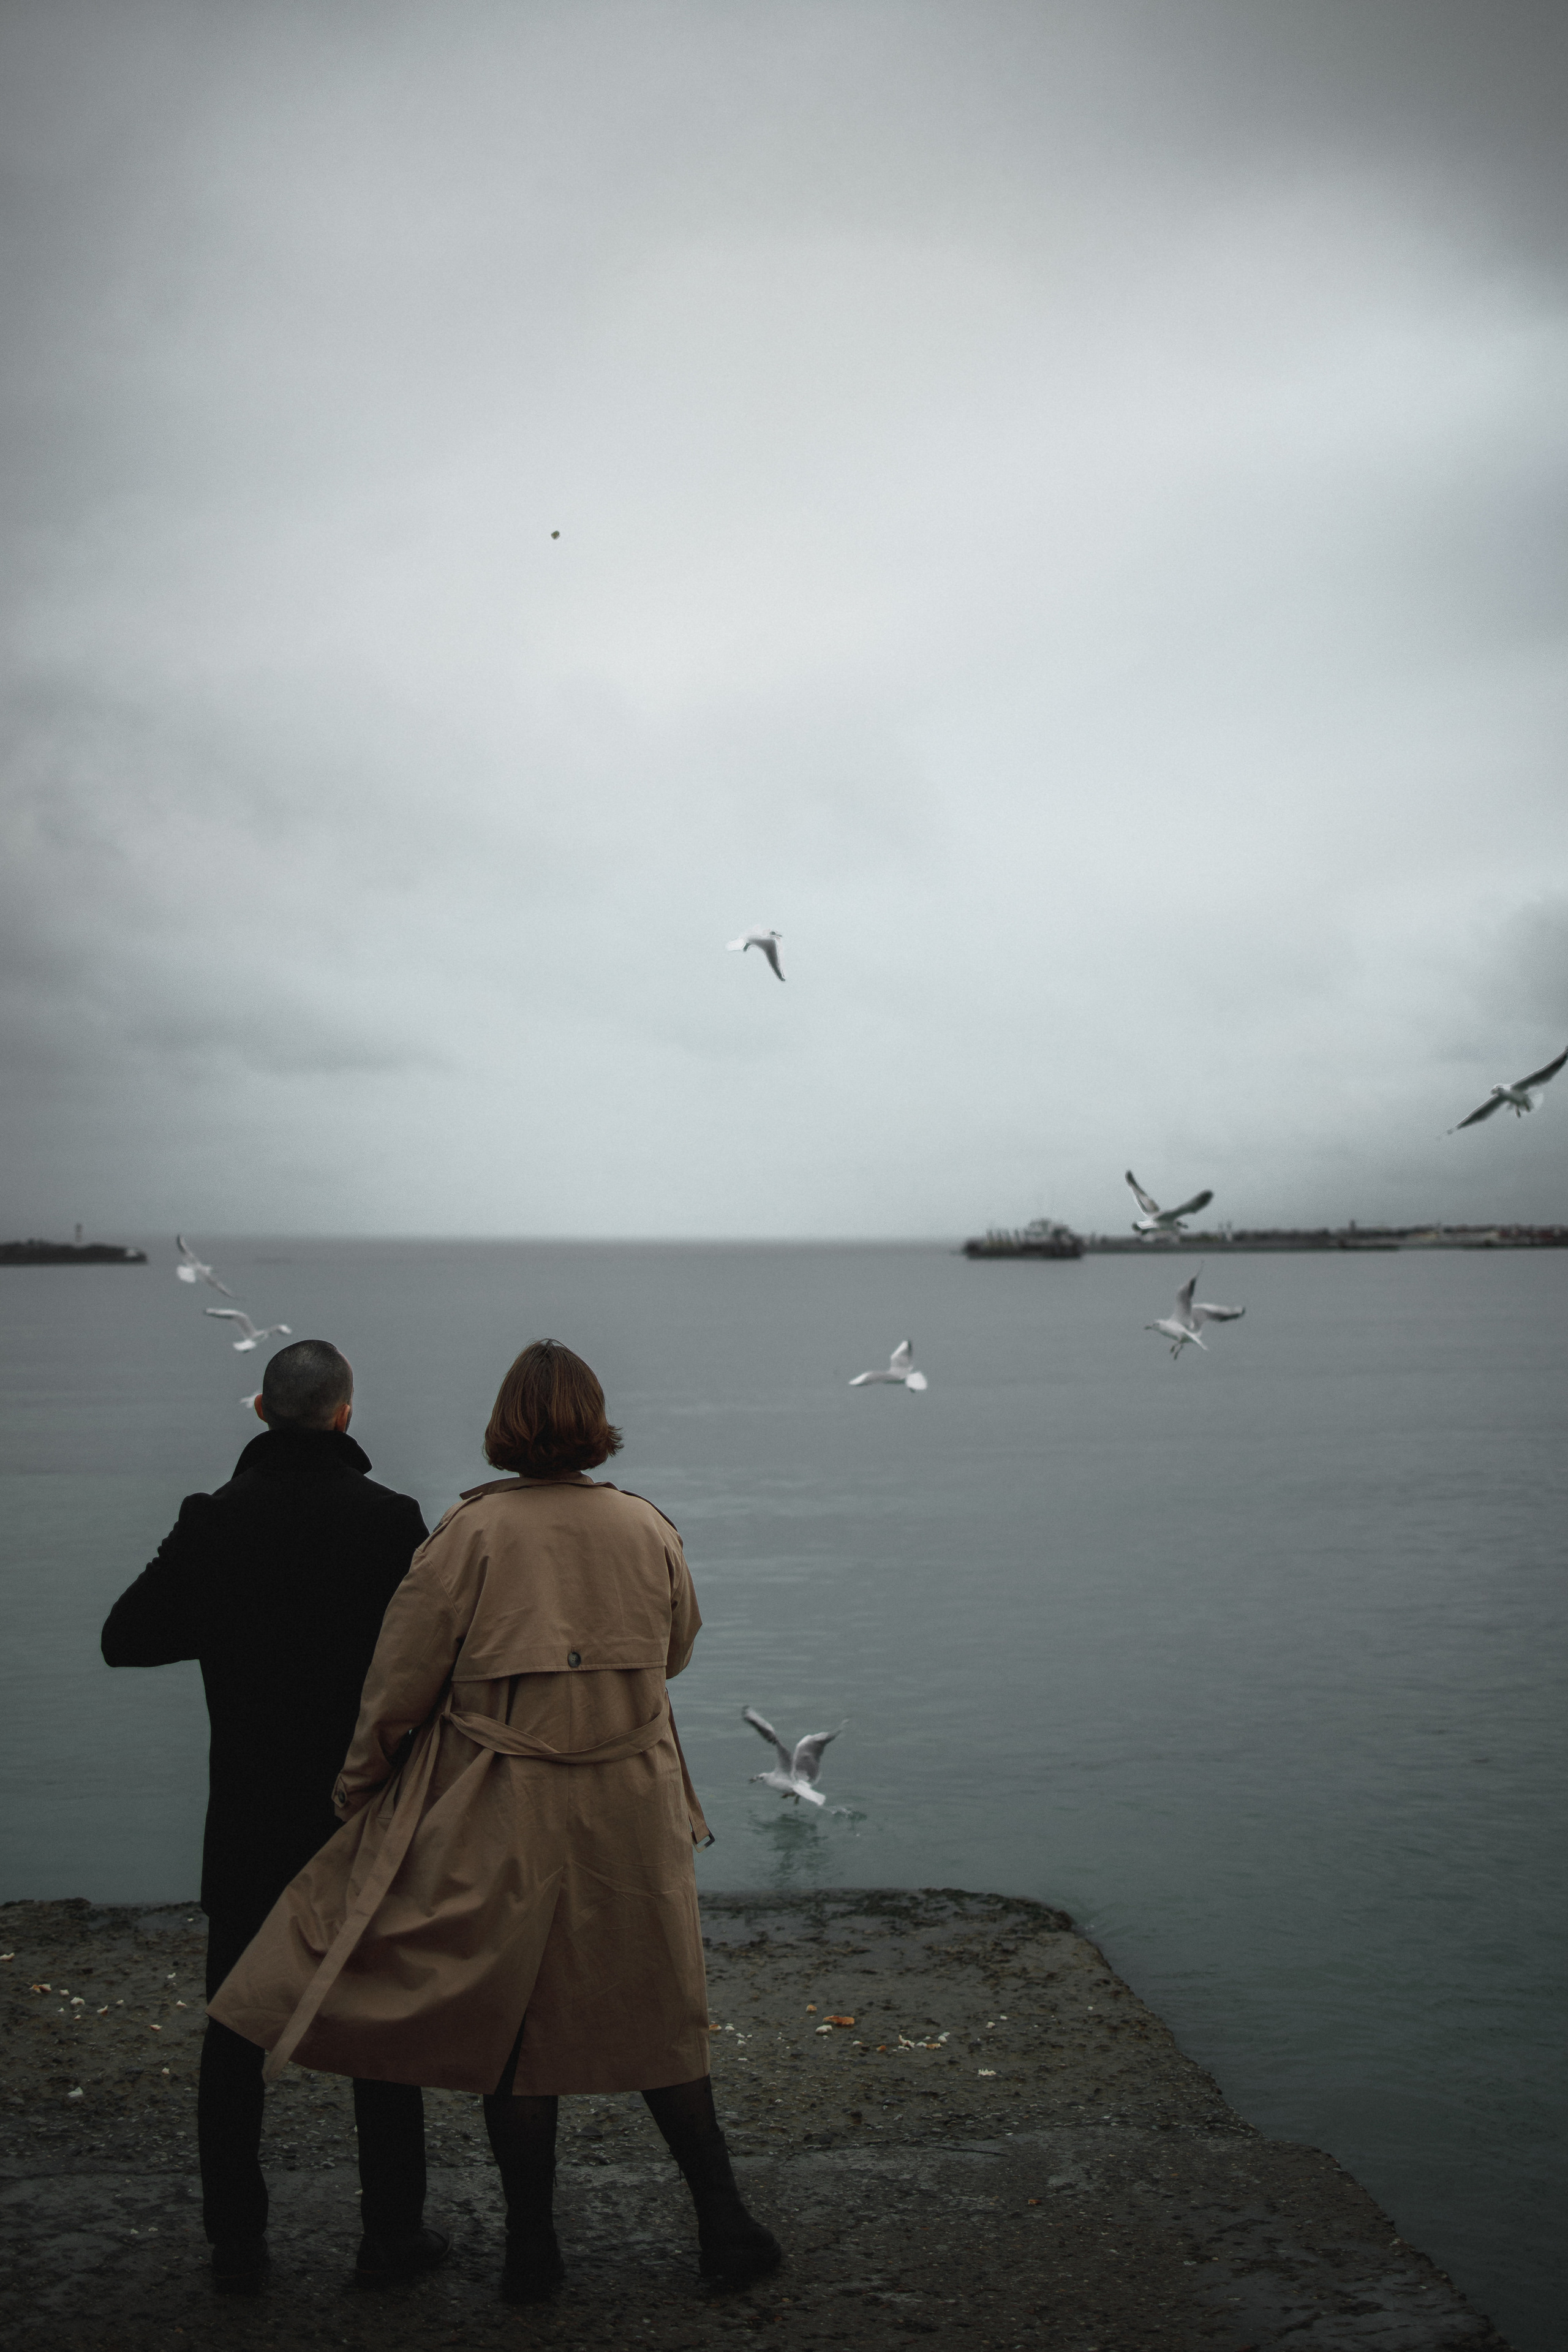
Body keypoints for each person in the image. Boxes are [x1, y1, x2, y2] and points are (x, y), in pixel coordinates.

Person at [209, 1338, 781, 2302]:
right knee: (660, 2010)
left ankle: (532, 2253)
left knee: (522, 2025)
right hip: (631, 1804)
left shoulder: (468, 1536)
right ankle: (725, 2225)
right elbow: (675, 1651)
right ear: (596, 1422)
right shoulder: (648, 1527)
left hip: (502, 1804)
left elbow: (400, 1685)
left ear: (504, 1426)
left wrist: (360, 1790)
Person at [100, 1338, 443, 2294]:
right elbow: (434, 1667)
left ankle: (239, 2244)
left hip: (247, 1822)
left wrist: (218, 1604)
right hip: (357, 1816)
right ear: (345, 1414)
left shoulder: (214, 1519)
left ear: (260, 1411)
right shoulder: (390, 1521)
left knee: (234, 2036)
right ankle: (390, 2235)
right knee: (380, 2032)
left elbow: (126, 1639)